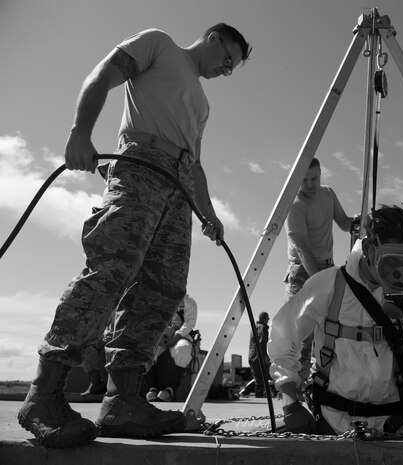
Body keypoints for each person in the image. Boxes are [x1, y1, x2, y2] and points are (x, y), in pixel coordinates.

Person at [17, 24, 251, 448]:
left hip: (178, 189)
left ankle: (123, 399)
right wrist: (79, 132)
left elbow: (195, 166)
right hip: (141, 166)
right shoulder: (159, 45)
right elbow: (104, 74)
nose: (227, 70)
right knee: (112, 270)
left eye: (233, 69)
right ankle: (44, 394)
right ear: (214, 39)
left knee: (164, 290)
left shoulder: (202, 104)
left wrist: (208, 215)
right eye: (228, 60)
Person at [269, 205, 403, 436]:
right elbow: (283, 337)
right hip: (334, 425)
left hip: (398, 426)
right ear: (368, 248)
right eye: (392, 262)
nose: (400, 274)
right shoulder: (328, 286)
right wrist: (290, 404)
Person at [284, 157, 358, 388]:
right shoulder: (295, 204)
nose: (309, 184)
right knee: (300, 338)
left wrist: (359, 220)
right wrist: (321, 282)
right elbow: (303, 250)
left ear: (320, 174)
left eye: (314, 178)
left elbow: (345, 223)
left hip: (328, 266)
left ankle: (325, 388)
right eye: (304, 180)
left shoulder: (328, 194)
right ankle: (293, 392)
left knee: (331, 330)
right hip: (302, 272)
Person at [144, 294, 199, 402]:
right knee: (146, 350)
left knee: (182, 349)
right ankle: (152, 388)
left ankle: (170, 390)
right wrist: (159, 337)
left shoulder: (189, 302)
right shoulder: (157, 299)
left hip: (182, 335)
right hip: (160, 335)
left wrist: (176, 337)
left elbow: (189, 323)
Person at [240, 312, 274, 398]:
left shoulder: (255, 327)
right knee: (260, 379)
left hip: (253, 355)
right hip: (258, 356)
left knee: (259, 377)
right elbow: (262, 343)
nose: (268, 320)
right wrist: (266, 356)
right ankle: (256, 397)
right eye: (268, 318)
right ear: (265, 319)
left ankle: (245, 392)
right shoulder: (262, 328)